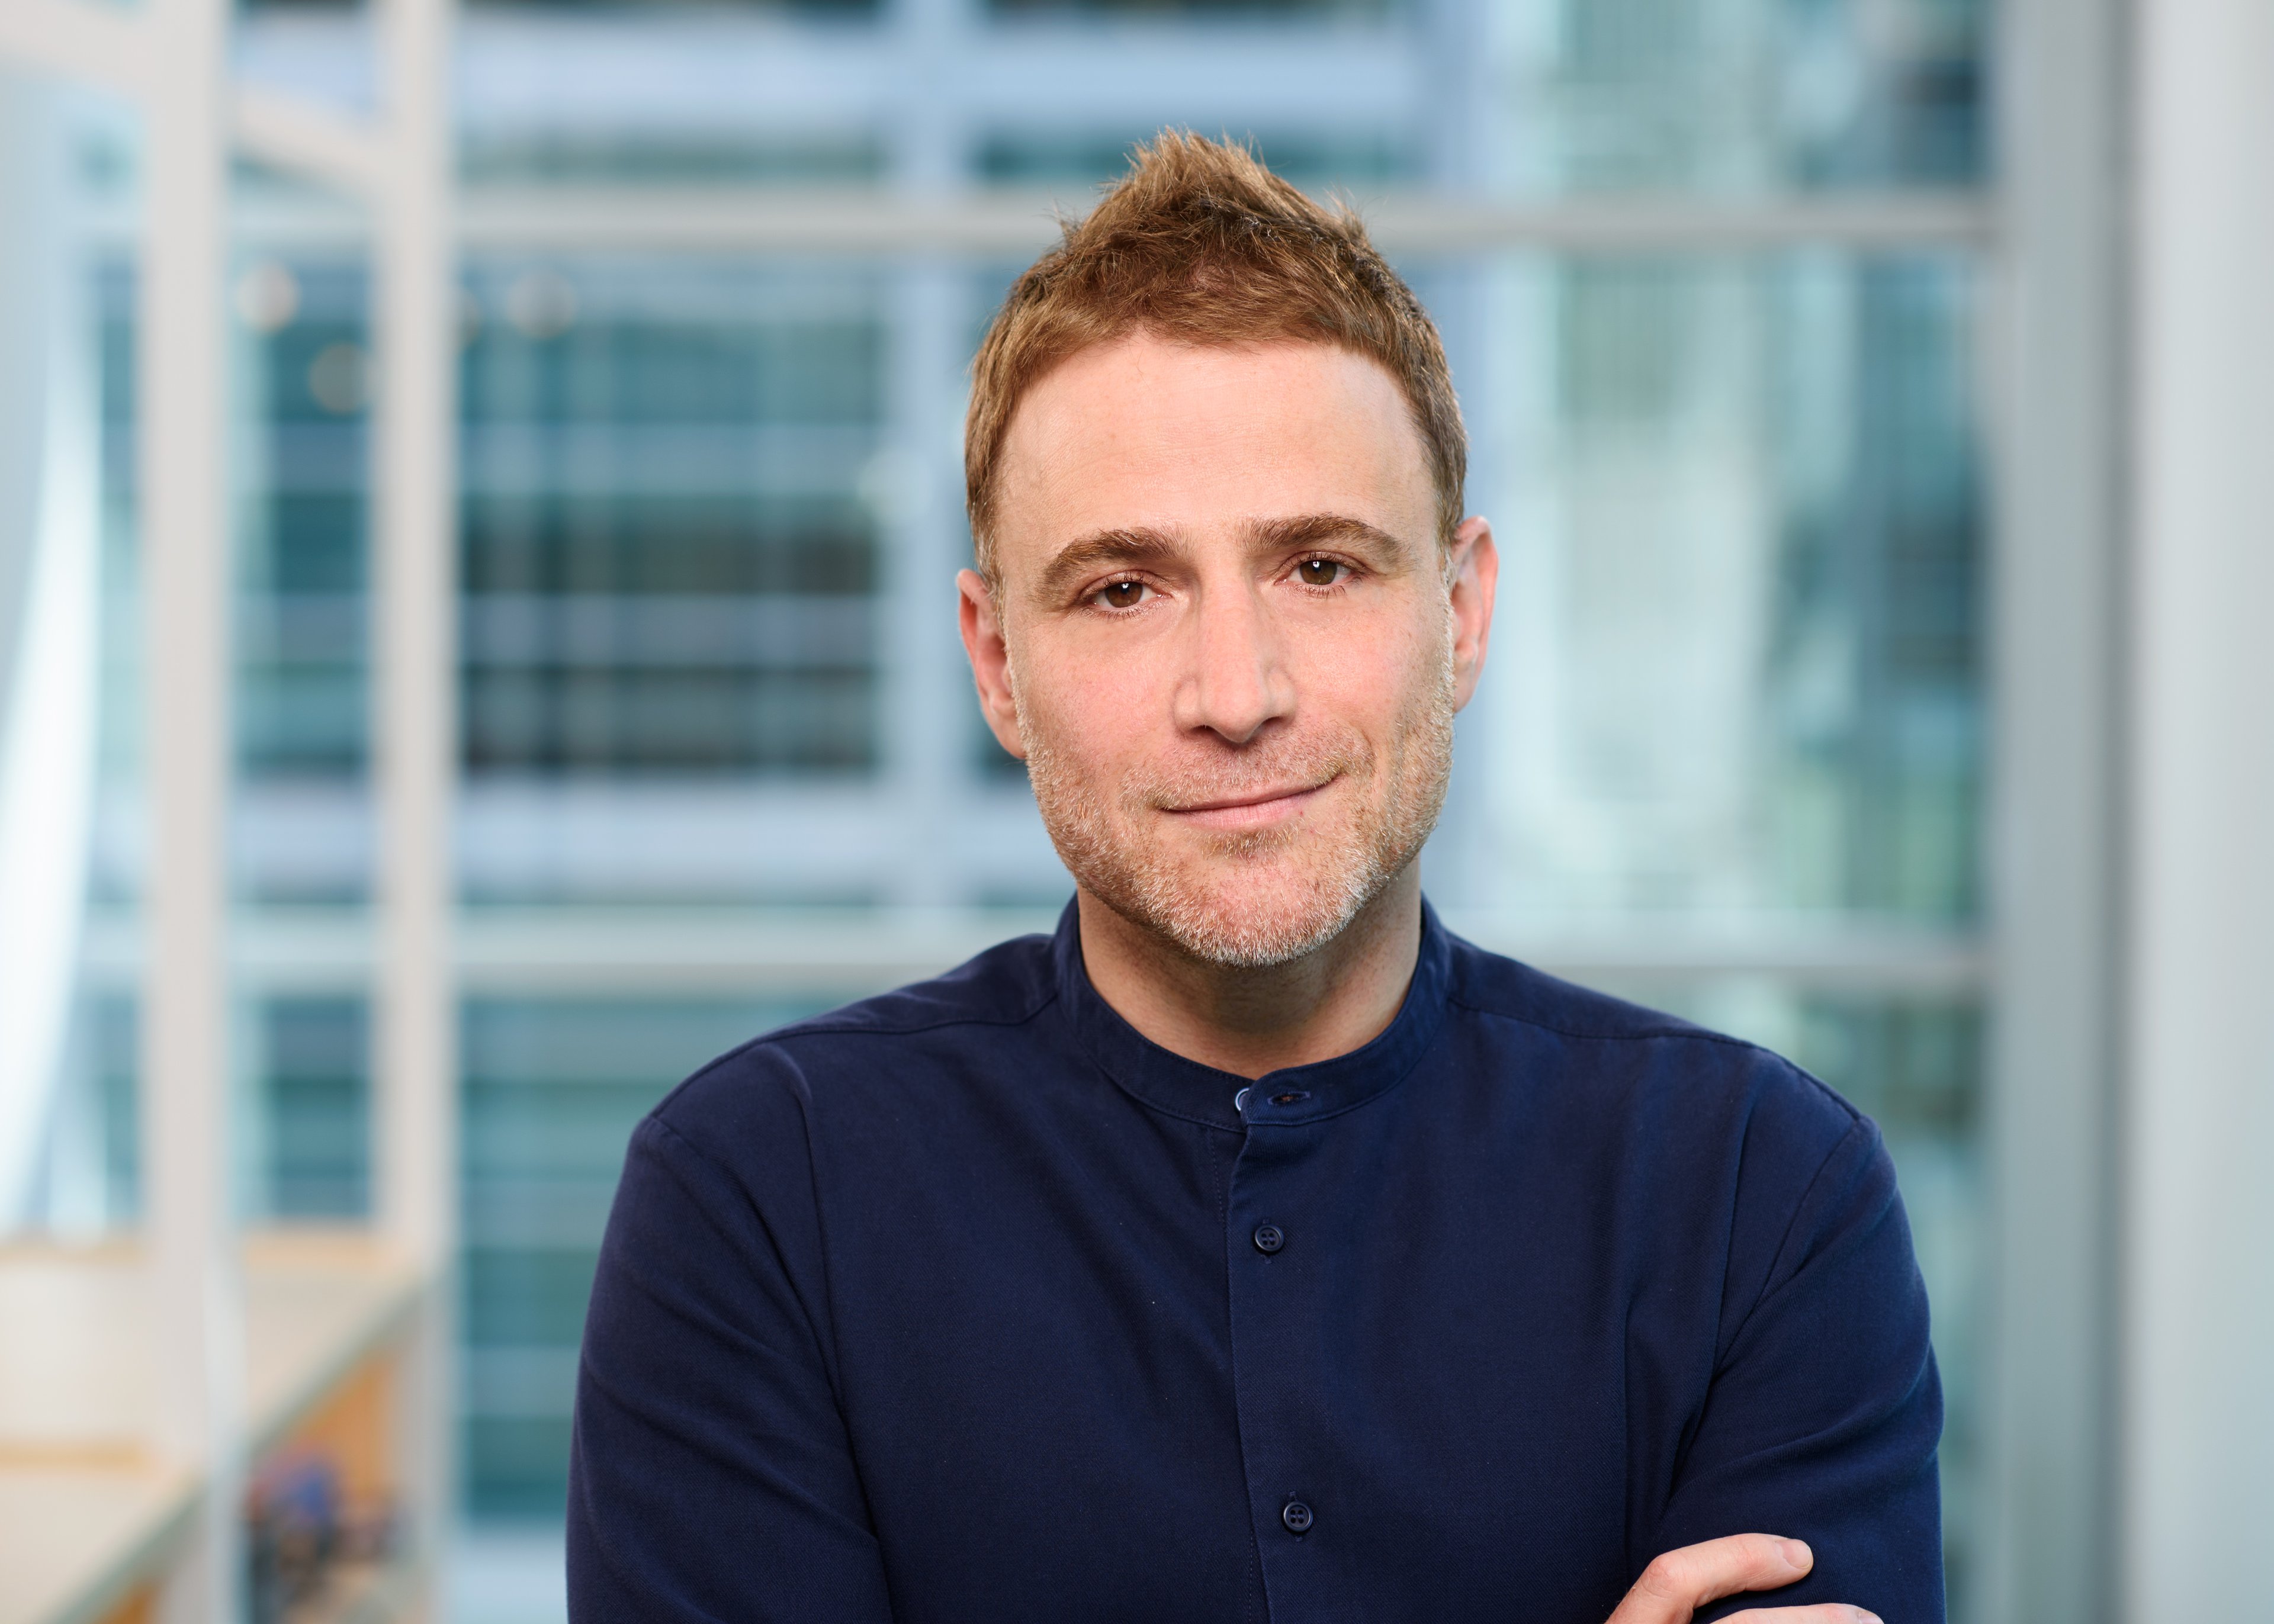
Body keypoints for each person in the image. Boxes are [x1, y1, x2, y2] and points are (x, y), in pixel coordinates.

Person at [566, 134, 1941, 1624]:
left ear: (1464, 613)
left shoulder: (1761, 1198)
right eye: (1123, 589)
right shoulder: (762, 1201)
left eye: (1322, 568)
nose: (1235, 692)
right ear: (996, 665)